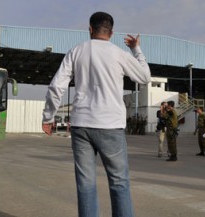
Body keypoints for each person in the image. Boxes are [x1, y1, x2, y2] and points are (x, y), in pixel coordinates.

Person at [41, 11, 151, 217]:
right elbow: (145, 77)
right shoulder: (119, 54)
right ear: (112, 32)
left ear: (90, 29)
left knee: (85, 184)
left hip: (82, 126)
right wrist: (136, 49)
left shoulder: (76, 51)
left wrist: (48, 117)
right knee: (119, 183)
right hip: (111, 127)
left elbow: (56, 87)